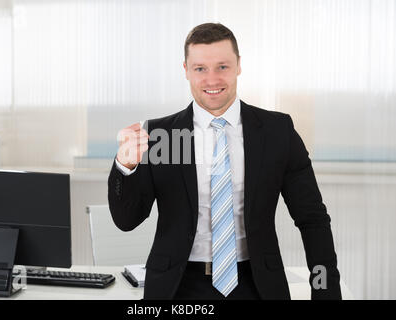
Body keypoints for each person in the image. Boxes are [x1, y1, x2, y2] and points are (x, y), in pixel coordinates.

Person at [108, 23, 341, 300]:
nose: (212, 80)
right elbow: (127, 220)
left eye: (222, 67)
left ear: (239, 65)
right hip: (178, 287)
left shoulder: (276, 131)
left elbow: (312, 219)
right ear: (185, 70)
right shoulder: (165, 137)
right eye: (200, 69)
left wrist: (324, 291)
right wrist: (126, 167)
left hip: (256, 285)